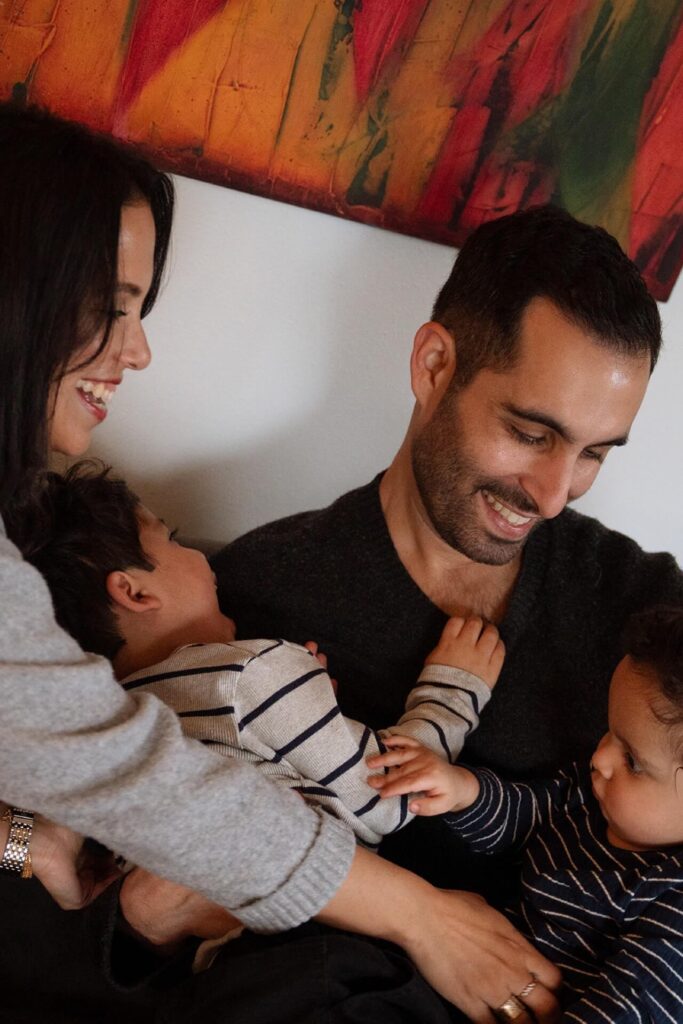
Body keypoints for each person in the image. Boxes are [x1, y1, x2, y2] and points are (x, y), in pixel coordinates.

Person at [0, 101, 561, 1024]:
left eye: (593, 453)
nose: (138, 351)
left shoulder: (623, 592)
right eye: (113, 308)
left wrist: (34, 844)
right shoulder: (267, 615)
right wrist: (424, 913)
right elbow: (146, 781)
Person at [211, 207, 683, 900]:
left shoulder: (641, 609)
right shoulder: (263, 592)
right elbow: (65, 827)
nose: (554, 498)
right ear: (434, 366)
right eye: (530, 434)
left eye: (594, 453)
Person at [10, 460, 505, 851]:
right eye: (174, 539)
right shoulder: (253, 673)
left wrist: (308, 707)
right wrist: (451, 690)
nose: (200, 556)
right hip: (306, 937)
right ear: (135, 594)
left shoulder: (115, 726)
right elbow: (388, 800)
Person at [367, 604, 683, 1023]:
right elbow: (524, 815)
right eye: (608, 731)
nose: (599, 758)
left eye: (633, 761)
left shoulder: (672, 897)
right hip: (458, 975)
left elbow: (626, 1008)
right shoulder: (589, 800)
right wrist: (461, 789)